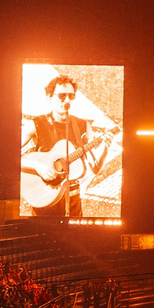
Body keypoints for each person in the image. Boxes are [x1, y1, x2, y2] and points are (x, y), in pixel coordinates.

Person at [20, 73, 120, 219]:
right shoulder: (36, 124)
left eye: (71, 96)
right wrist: (37, 166)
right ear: (49, 97)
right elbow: (8, 157)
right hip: (43, 198)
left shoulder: (82, 126)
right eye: (61, 96)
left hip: (73, 201)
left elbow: (96, 168)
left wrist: (105, 148)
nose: (67, 100)